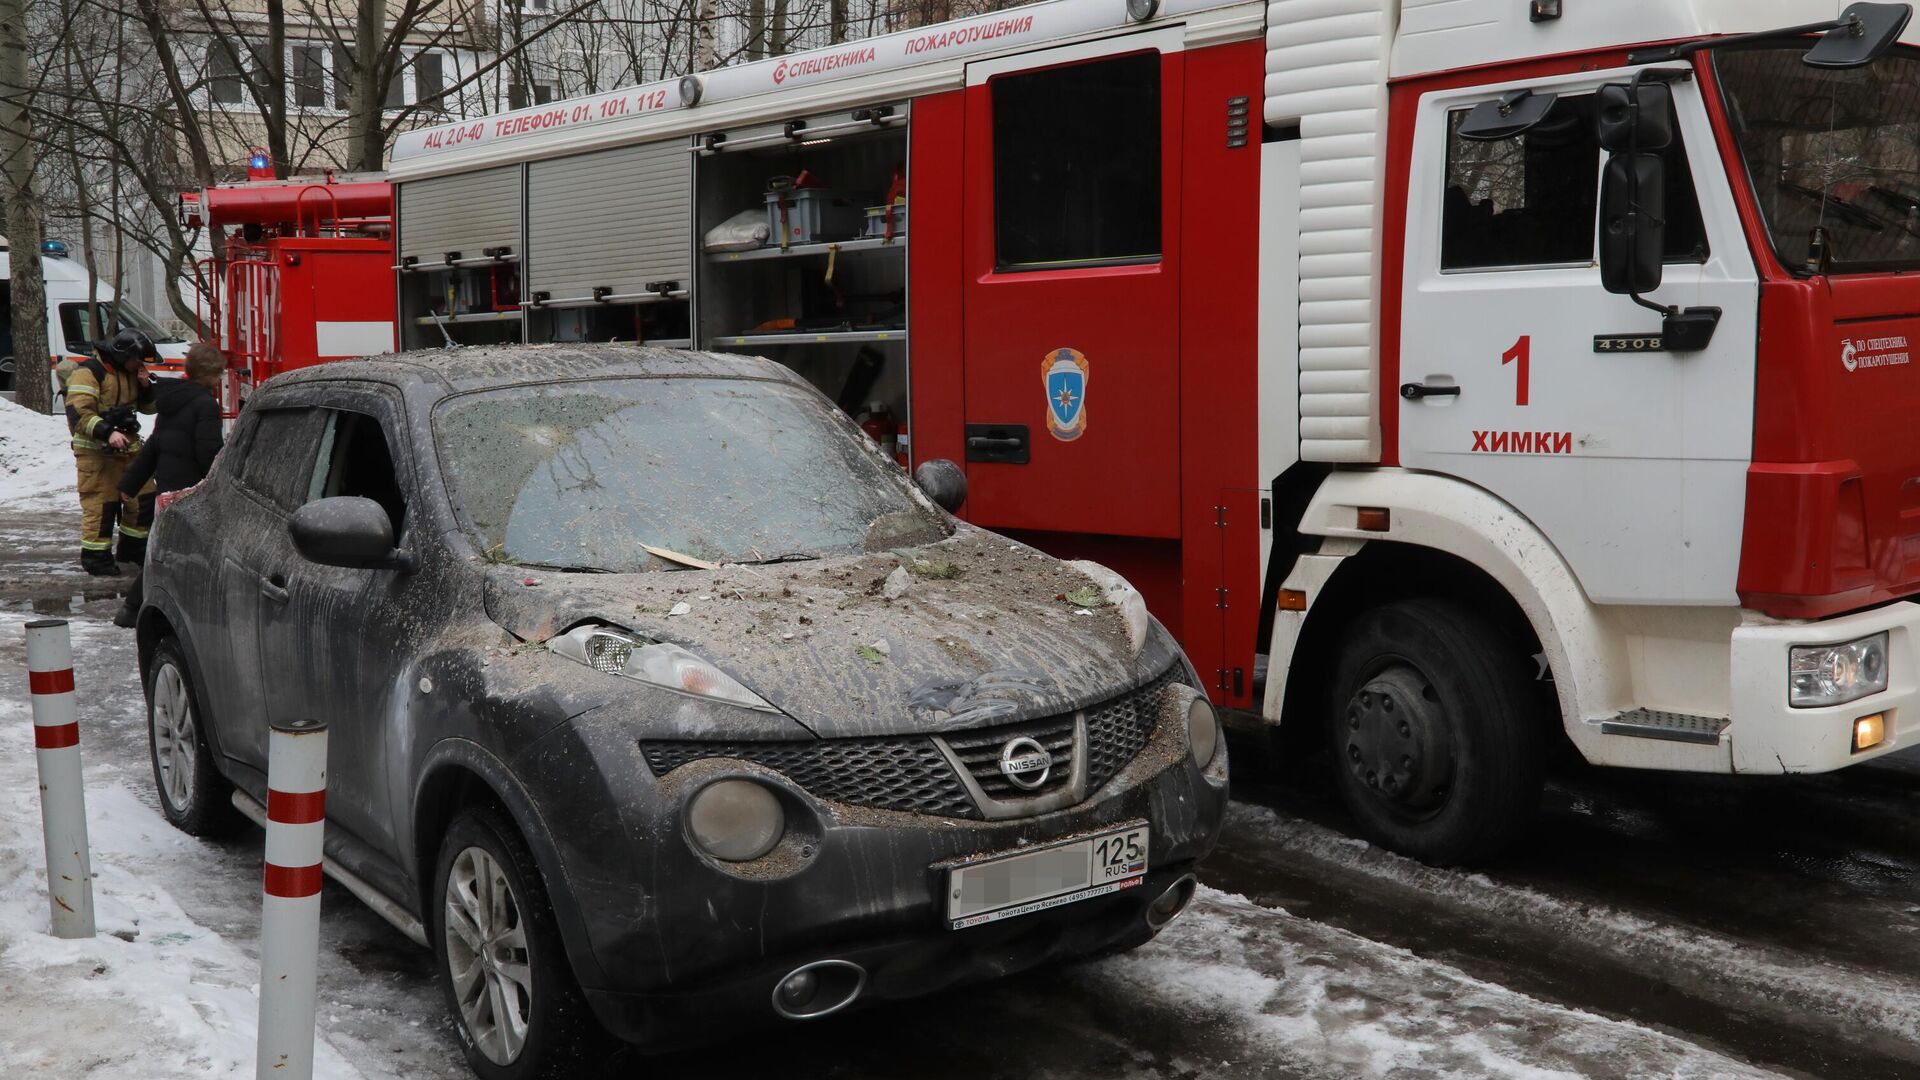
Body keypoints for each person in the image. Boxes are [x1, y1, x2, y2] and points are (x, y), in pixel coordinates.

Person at [113, 343, 226, 627]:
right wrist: (220, 479)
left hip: (168, 486)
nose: (221, 379)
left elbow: (154, 446)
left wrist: (131, 482)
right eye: (219, 374)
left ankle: (153, 605)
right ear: (211, 375)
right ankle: (132, 607)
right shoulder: (205, 405)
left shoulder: (173, 402)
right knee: (172, 552)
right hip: (190, 490)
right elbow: (208, 450)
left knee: (172, 548)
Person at [66, 328, 158, 576]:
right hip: (96, 453)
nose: (138, 365)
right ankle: (97, 560)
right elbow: (78, 415)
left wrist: (145, 386)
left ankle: (133, 552)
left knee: (144, 499)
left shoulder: (129, 374)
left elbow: (149, 409)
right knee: (102, 506)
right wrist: (107, 432)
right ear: (122, 355)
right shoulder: (89, 373)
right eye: (136, 360)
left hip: (128, 449)